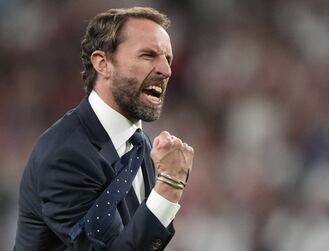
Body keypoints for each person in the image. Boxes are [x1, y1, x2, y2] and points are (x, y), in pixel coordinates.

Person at [14, 6, 194, 251]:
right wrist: (169, 186)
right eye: (148, 55)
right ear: (102, 63)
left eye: (168, 59)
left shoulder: (140, 145)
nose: (166, 70)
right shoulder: (65, 154)